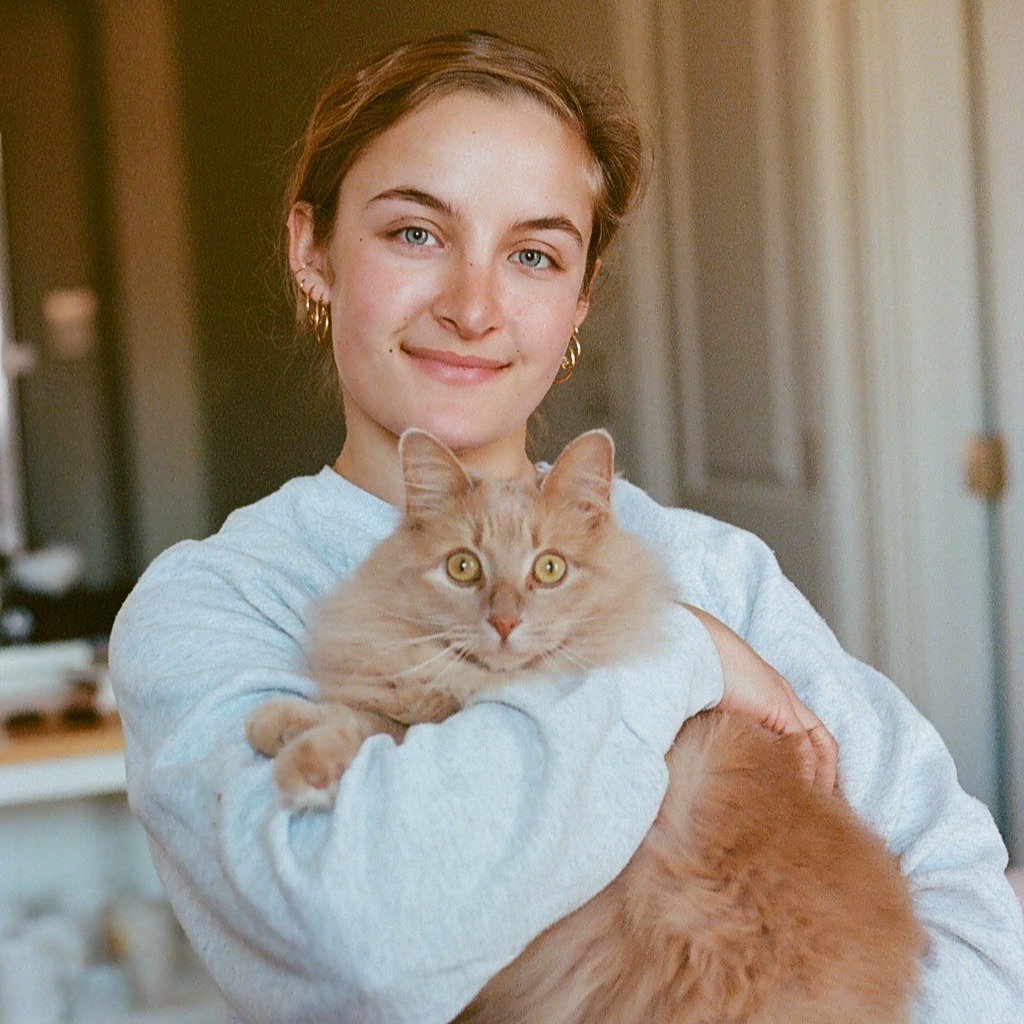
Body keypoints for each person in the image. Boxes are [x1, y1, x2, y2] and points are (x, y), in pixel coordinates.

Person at [108, 30, 1024, 1024]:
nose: (472, 307)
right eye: (415, 234)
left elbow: (969, 913)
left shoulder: (716, 566)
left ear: (579, 301)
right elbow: (363, 949)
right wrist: (673, 653)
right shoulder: (214, 602)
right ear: (311, 252)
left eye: (533, 255)